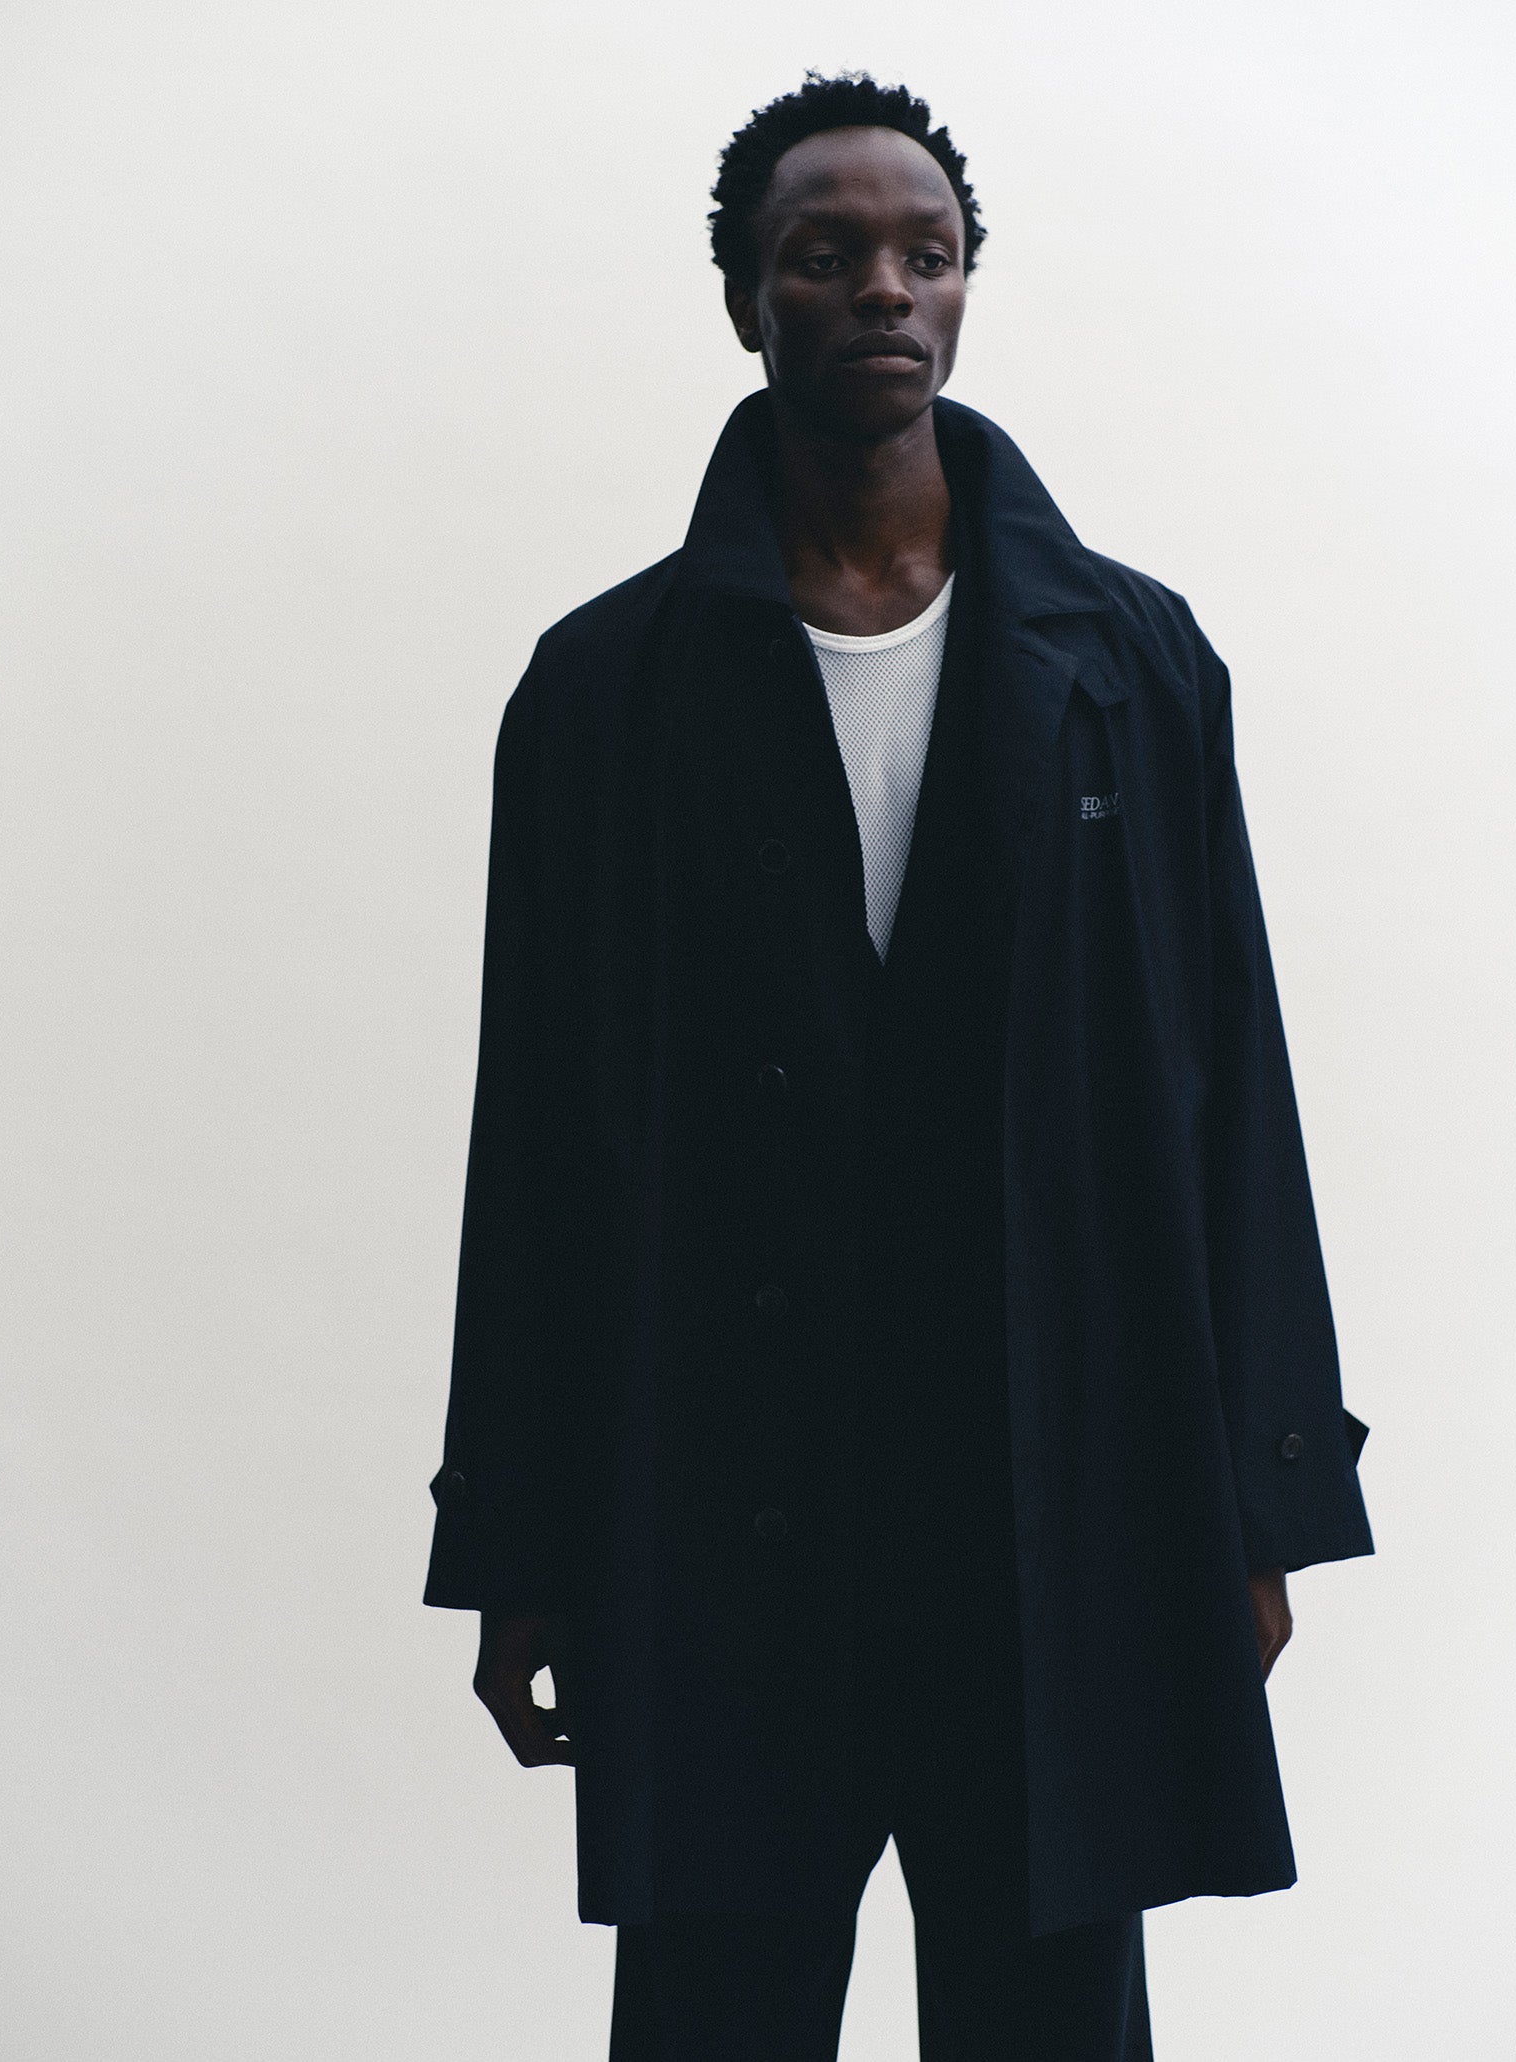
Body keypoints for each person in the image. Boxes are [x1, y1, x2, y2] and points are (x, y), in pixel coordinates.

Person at [423, 70, 1374, 2061]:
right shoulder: (606, 691)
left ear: (963, 290)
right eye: (825, 254)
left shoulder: (1130, 663)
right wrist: (518, 1543)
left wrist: (1261, 1500)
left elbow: (1227, 1085)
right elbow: (539, 1147)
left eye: (923, 254)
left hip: (1049, 1491)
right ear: (743, 298)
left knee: (1051, 2019)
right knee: (716, 2014)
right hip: (721, 1498)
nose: (882, 287)